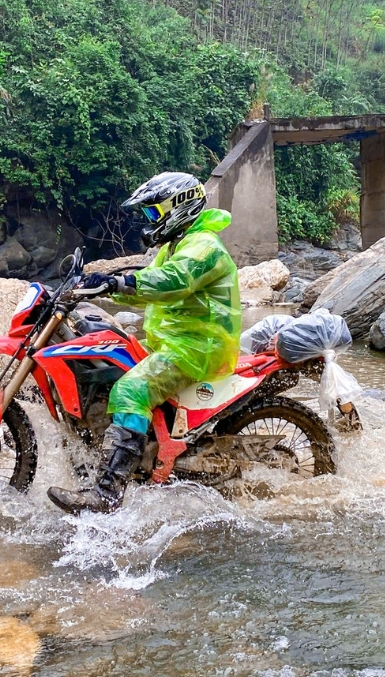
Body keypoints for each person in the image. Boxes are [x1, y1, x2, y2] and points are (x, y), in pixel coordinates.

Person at [47, 172, 241, 515]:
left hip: (196, 348)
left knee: (130, 391)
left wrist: (119, 280)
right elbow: (149, 291)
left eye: (154, 213)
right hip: (173, 343)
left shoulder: (204, 246)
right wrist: (105, 286)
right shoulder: (178, 244)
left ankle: (106, 494)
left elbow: (170, 283)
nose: (150, 221)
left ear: (178, 208)